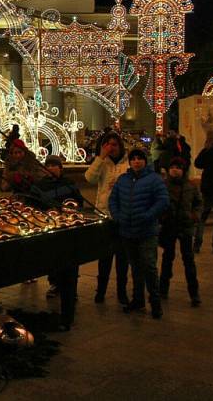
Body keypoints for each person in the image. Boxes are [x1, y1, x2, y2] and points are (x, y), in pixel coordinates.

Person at [108, 148, 169, 319]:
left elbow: (163, 200)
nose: (136, 161)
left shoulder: (154, 179)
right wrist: (118, 216)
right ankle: (138, 299)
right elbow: (113, 199)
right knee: (135, 268)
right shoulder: (123, 179)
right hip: (127, 231)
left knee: (149, 267)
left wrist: (148, 215)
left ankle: (155, 303)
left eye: (139, 158)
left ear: (145, 161)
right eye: (133, 159)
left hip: (146, 231)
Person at [32, 155, 83, 328]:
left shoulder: (68, 183)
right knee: (52, 259)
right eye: (49, 165)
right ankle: (55, 284)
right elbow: (34, 205)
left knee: (70, 260)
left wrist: (69, 210)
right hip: (49, 227)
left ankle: (71, 289)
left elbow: (79, 201)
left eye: (55, 165)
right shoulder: (40, 186)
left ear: (61, 168)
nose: (52, 168)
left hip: (68, 227)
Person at [84, 131, 130, 305]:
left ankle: (122, 292)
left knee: (122, 258)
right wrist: (100, 157)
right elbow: (89, 178)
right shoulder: (102, 163)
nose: (112, 147)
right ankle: (100, 290)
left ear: (120, 146)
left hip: (124, 216)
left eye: (114, 144)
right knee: (104, 257)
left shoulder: (128, 163)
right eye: (108, 144)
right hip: (105, 214)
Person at [159, 157, 202, 307]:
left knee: (188, 260)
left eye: (178, 167)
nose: (175, 170)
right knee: (167, 258)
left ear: (183, 170)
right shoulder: (163, 185)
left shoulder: (190, 186)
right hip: (169, 226)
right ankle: (163, 288)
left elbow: (198, 202)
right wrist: (162, 216)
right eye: (172, 167)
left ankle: (194, 292)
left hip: (185, 226)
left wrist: (194, 215)